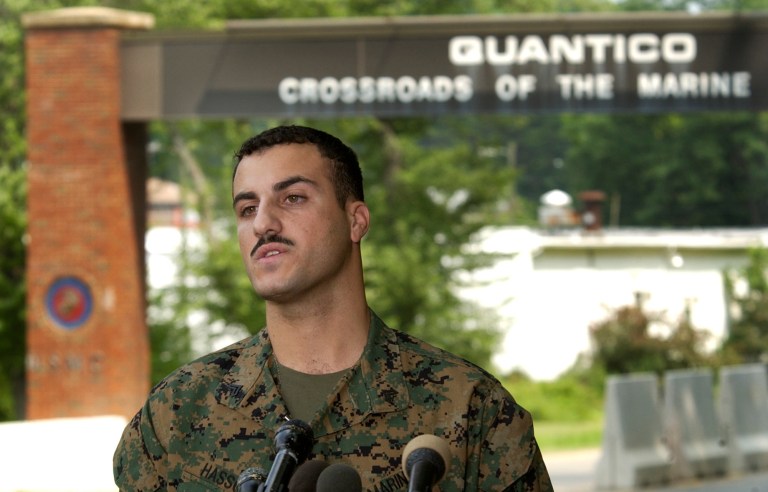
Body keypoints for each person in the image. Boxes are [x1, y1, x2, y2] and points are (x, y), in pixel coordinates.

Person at [113, 125, 553, 491]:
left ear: (356, 220)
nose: (263, 222)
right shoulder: (177, 414)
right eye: (247, 208)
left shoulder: (470, 410)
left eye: (293, 198)